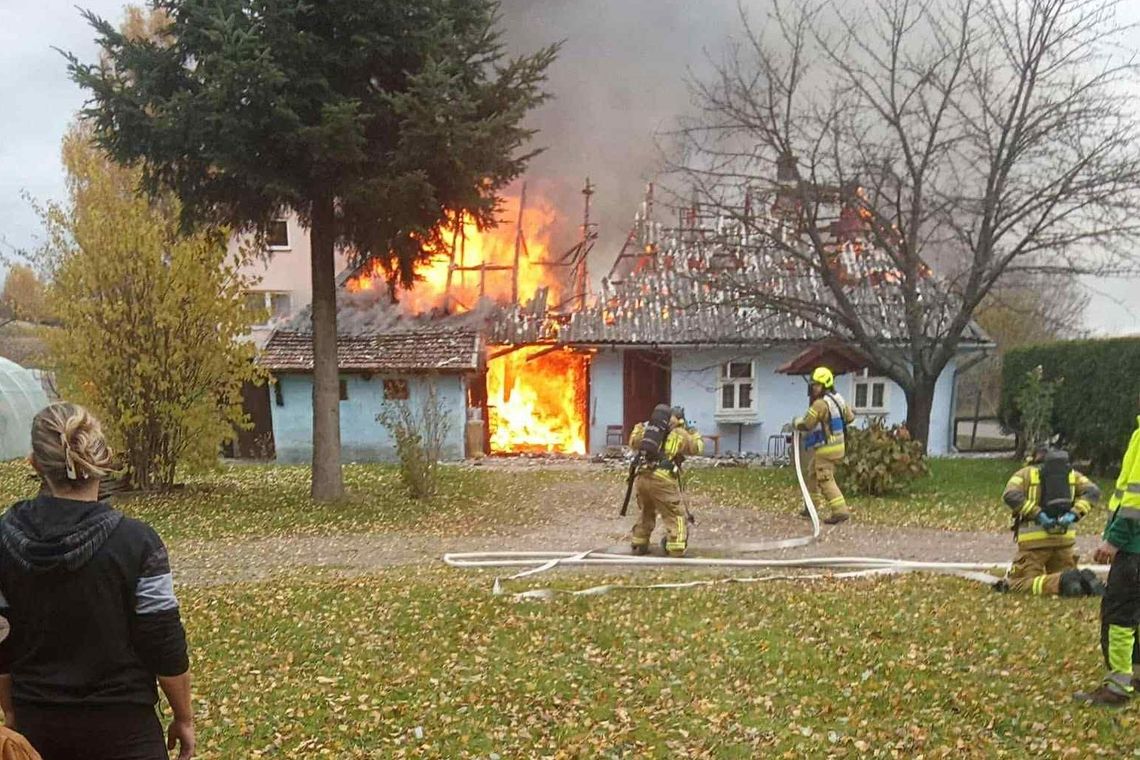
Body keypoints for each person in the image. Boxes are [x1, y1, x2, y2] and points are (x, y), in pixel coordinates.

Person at [0, 403, 194, 759]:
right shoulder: (138, 543)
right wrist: (184, 718)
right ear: (101, 460)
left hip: (36, 732)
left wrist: (11, 711)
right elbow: (164, 641)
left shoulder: (2, 539)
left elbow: (1, 638)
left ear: (35, 464)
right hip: (127, 733)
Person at [1075, 400, 1140, 706]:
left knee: (1119, 615)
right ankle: (1136, 674)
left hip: (1134, 548)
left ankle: (1118, 687)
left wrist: (1114, 539)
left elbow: (1134, 501)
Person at [994, 445, 1103, 597]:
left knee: (1020, 583)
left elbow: (1010, 495)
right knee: (1070, 581)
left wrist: (1038, 514)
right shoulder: (1072, 475)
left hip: (1034, 544)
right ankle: (1083, 581)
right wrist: (1073, 514)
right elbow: (1093, 492)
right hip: (1064, 541)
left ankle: (1061, 581)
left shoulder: (1024, 474)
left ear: (1034, 457)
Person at [629, 404, 704, 556]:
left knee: (646, 511)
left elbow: (633, 441)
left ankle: (639, 543)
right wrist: (693, 431)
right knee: (674, 514)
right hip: (662, 480)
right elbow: (698, 447)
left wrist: (641, 425)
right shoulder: (679, 433)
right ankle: (676, 546)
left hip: (642, 477)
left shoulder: (648, 431)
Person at [794, 366, 856, 525]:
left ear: (825, 385)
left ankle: (840, 511)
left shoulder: (820, 404)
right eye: (813, 384)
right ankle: (811, 506)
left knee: (825, 478)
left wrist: (795, 423)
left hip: (826, 449)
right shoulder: (838, 399)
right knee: (812, 474)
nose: (814, 388)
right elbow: (850, 418)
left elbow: (807, 424)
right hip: (838, 446)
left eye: (816, 385)